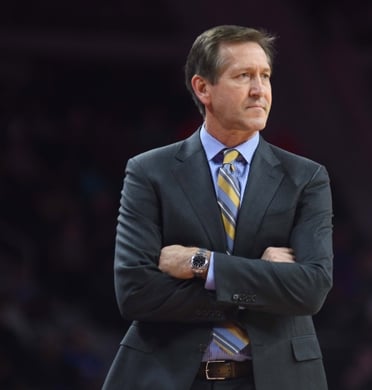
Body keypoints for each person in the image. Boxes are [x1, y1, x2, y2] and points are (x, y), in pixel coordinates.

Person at [103, 25, 334, 390]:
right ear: (203, 88)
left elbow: (311, 289)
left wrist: (203, 264)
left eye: (265, 76)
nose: (260, 90)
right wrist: (262, 279)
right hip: (169, 379)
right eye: (243, 76)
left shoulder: (306, 178)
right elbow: (135, 294)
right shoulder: (150, 172)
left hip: (276, 379)